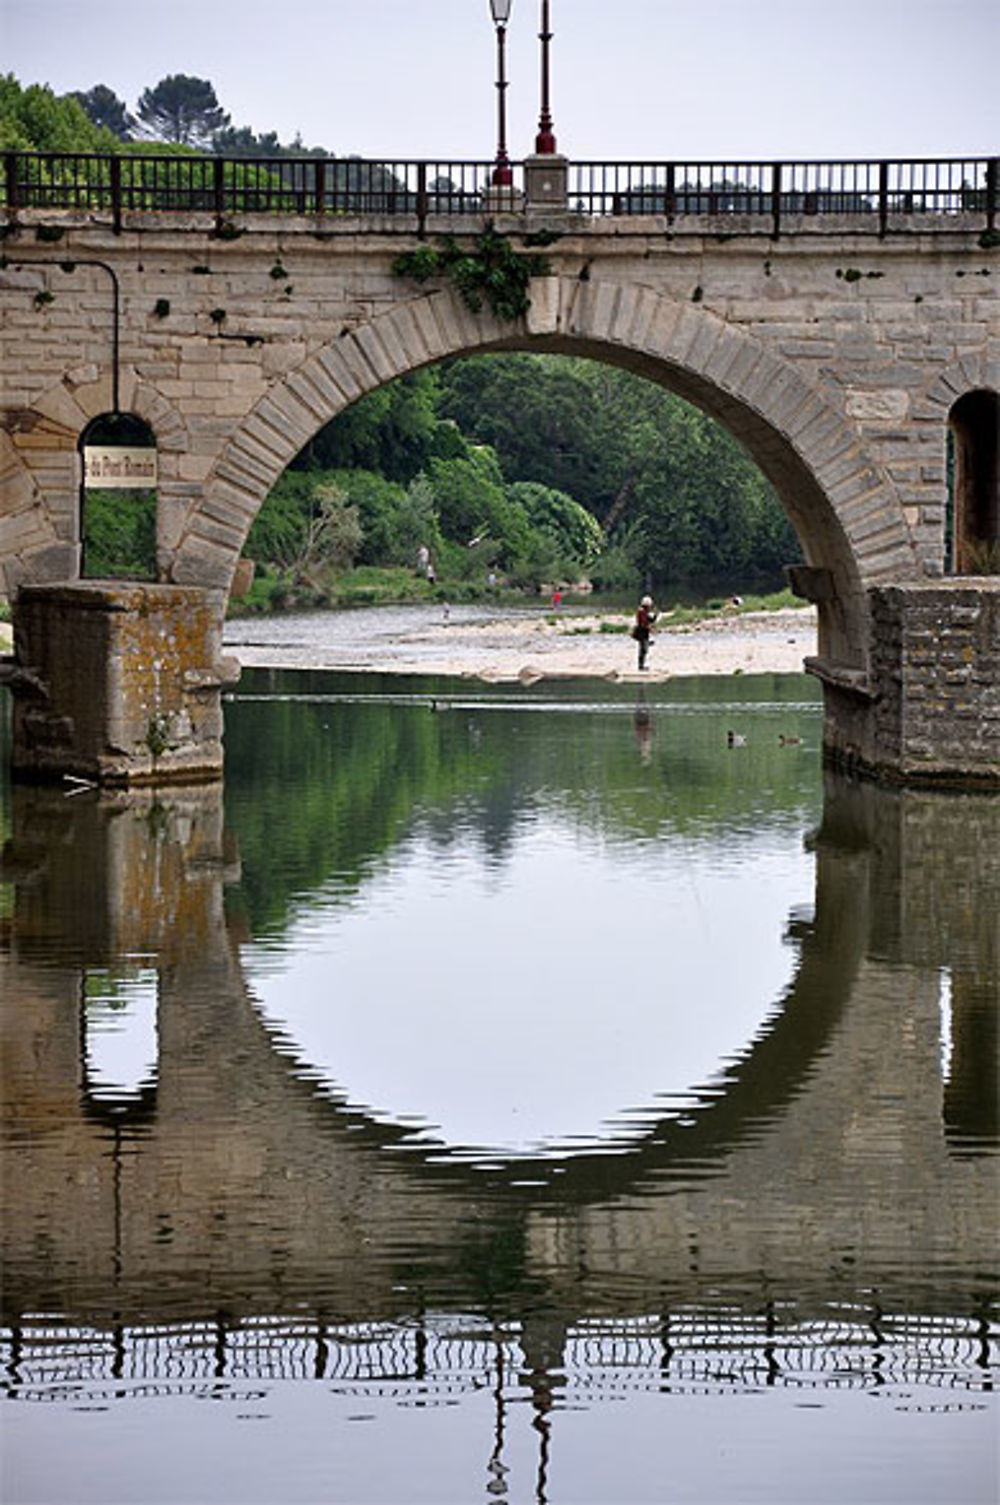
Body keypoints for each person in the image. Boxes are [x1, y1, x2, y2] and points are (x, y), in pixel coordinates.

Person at [632, 594, 657, 670]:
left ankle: (641, 665)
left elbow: (651, 620)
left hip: (643, 632)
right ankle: (641, 666)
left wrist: (655, 615)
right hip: (641, 632)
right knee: (643, 649)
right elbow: (643, 623)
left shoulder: (644, 611)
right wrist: (650, 628)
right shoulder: (642, 611)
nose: (650, 607)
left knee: (643, 649)